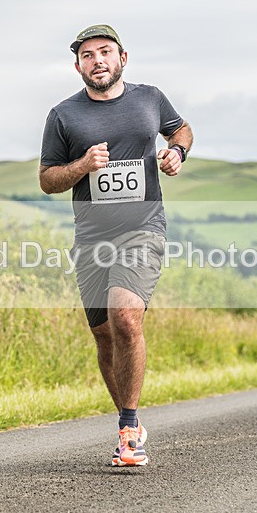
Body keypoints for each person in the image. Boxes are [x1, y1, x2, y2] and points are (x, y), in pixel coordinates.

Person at [39, 24, 193, 466]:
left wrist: (177, 153)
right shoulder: (63, 116)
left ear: (123, 58)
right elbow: (48, 180)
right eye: (88, 55)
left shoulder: (149, 99)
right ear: (77, 66)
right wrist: (83, 165)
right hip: (90, 237)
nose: (97, 60)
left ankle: (128, 429)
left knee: (125, 318)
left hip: (143, 228)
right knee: (105, 336)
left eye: (105, 52)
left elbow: (181, 130)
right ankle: (129, 418)